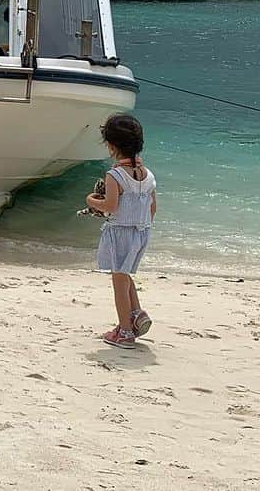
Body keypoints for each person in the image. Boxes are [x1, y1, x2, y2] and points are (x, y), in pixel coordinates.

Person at [86, 114, 157, 349]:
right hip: (141, 232)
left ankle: (125, 332)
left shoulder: (114, 175)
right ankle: (136, 314)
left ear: (111, 145)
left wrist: (91, 201)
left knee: (118, 282)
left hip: (120, 234)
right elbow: (152, 208)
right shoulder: (148, 176)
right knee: (125, 276)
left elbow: (110, 206)